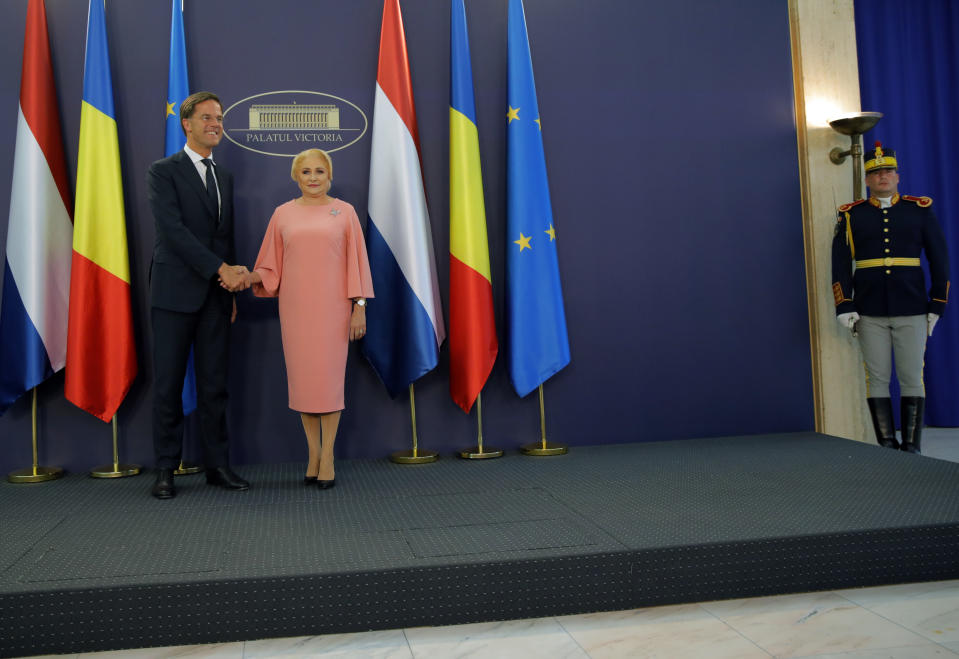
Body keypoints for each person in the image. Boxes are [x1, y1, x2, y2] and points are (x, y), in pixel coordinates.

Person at [242, 148, 373, 488]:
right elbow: (270, 265)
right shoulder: (282, 214)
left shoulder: (344, 212)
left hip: (333, 309)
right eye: (306, 172)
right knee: (304, 383)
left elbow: (357, 263)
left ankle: (328, 455)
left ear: (329, 175)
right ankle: (312, 454)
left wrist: (359, 306)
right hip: (296, 309)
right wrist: (246, 276)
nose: (313, 177)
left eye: (319, 171)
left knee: (328, 383)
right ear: (295, 177)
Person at [147, 91, 250, 499]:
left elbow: (225, 238)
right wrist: (219, 269)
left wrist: (232, 289)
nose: (216, 124)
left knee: (214, 386)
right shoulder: (163, 171)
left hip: (216, 297)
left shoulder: (223, 176)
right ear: (186, 124)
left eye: (220, 118)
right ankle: (165, 470)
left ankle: (217, 466)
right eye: (207, 117)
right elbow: (173, 232)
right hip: (174, 294)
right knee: (168, 385)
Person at [831, 142, 950, 454]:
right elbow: (841, 263)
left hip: (911, 306)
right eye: (875, 173)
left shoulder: (919, 210)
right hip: (869, 309)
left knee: (912, 375)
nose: (882, 177)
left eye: (887, 171)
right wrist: (844, 304)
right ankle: (886, 444)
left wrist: (938, 302)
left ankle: (911, 446)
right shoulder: (851, 215)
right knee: (878, 377)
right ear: (867, 180)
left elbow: (940, 259)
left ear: (897, 176)